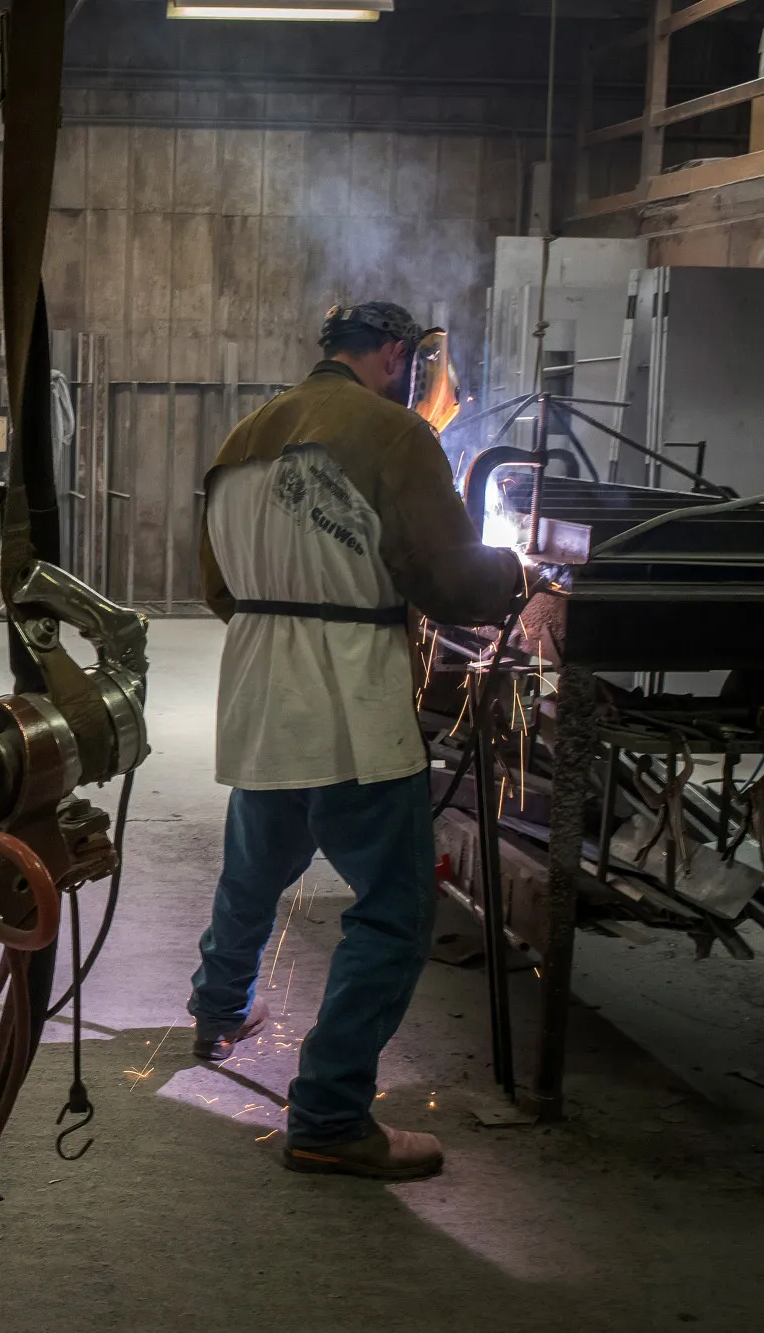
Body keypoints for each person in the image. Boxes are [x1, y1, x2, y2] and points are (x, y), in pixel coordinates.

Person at [188, 302, 523, 1181]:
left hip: (260, 686)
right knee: (394, 907)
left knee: (255, 867)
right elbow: (450, 580)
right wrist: (513, 574)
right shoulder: (393, 433)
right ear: (392, 355)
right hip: (348, 694)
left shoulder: (242, 433)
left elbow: (215, 584)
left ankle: (218, 1012)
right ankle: (331, 1116)